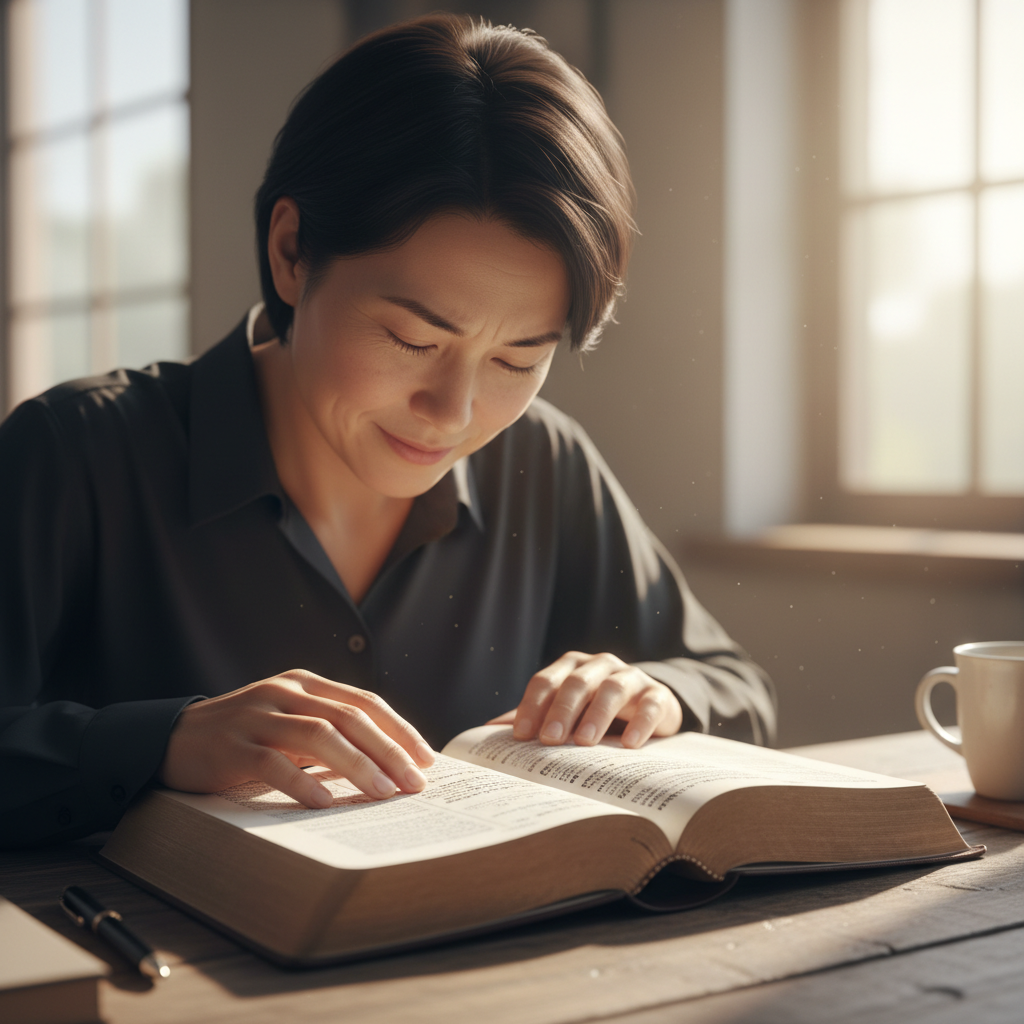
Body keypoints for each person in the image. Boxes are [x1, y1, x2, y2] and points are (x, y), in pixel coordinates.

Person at [0, 14, 774, 848]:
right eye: (412, 340)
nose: (454, 411)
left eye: (517, 359)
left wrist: (651, 691)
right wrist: (160, 741)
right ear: (293, 252)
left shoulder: (542, 463)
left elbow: (737, 688)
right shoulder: (75, 454)